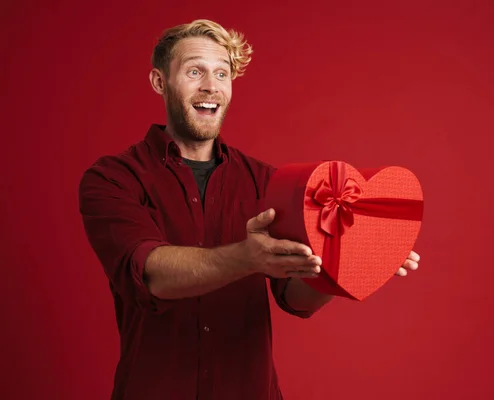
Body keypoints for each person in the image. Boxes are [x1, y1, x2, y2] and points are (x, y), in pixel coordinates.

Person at [78, 19, 421, 400]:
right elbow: (151, 276)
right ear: (160, 82)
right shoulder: (112, 178)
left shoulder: (266, 181)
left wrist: (349, 266)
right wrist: (247, 257)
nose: (211, 85)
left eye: (222, 73)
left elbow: (295, 298)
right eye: (195, 71)